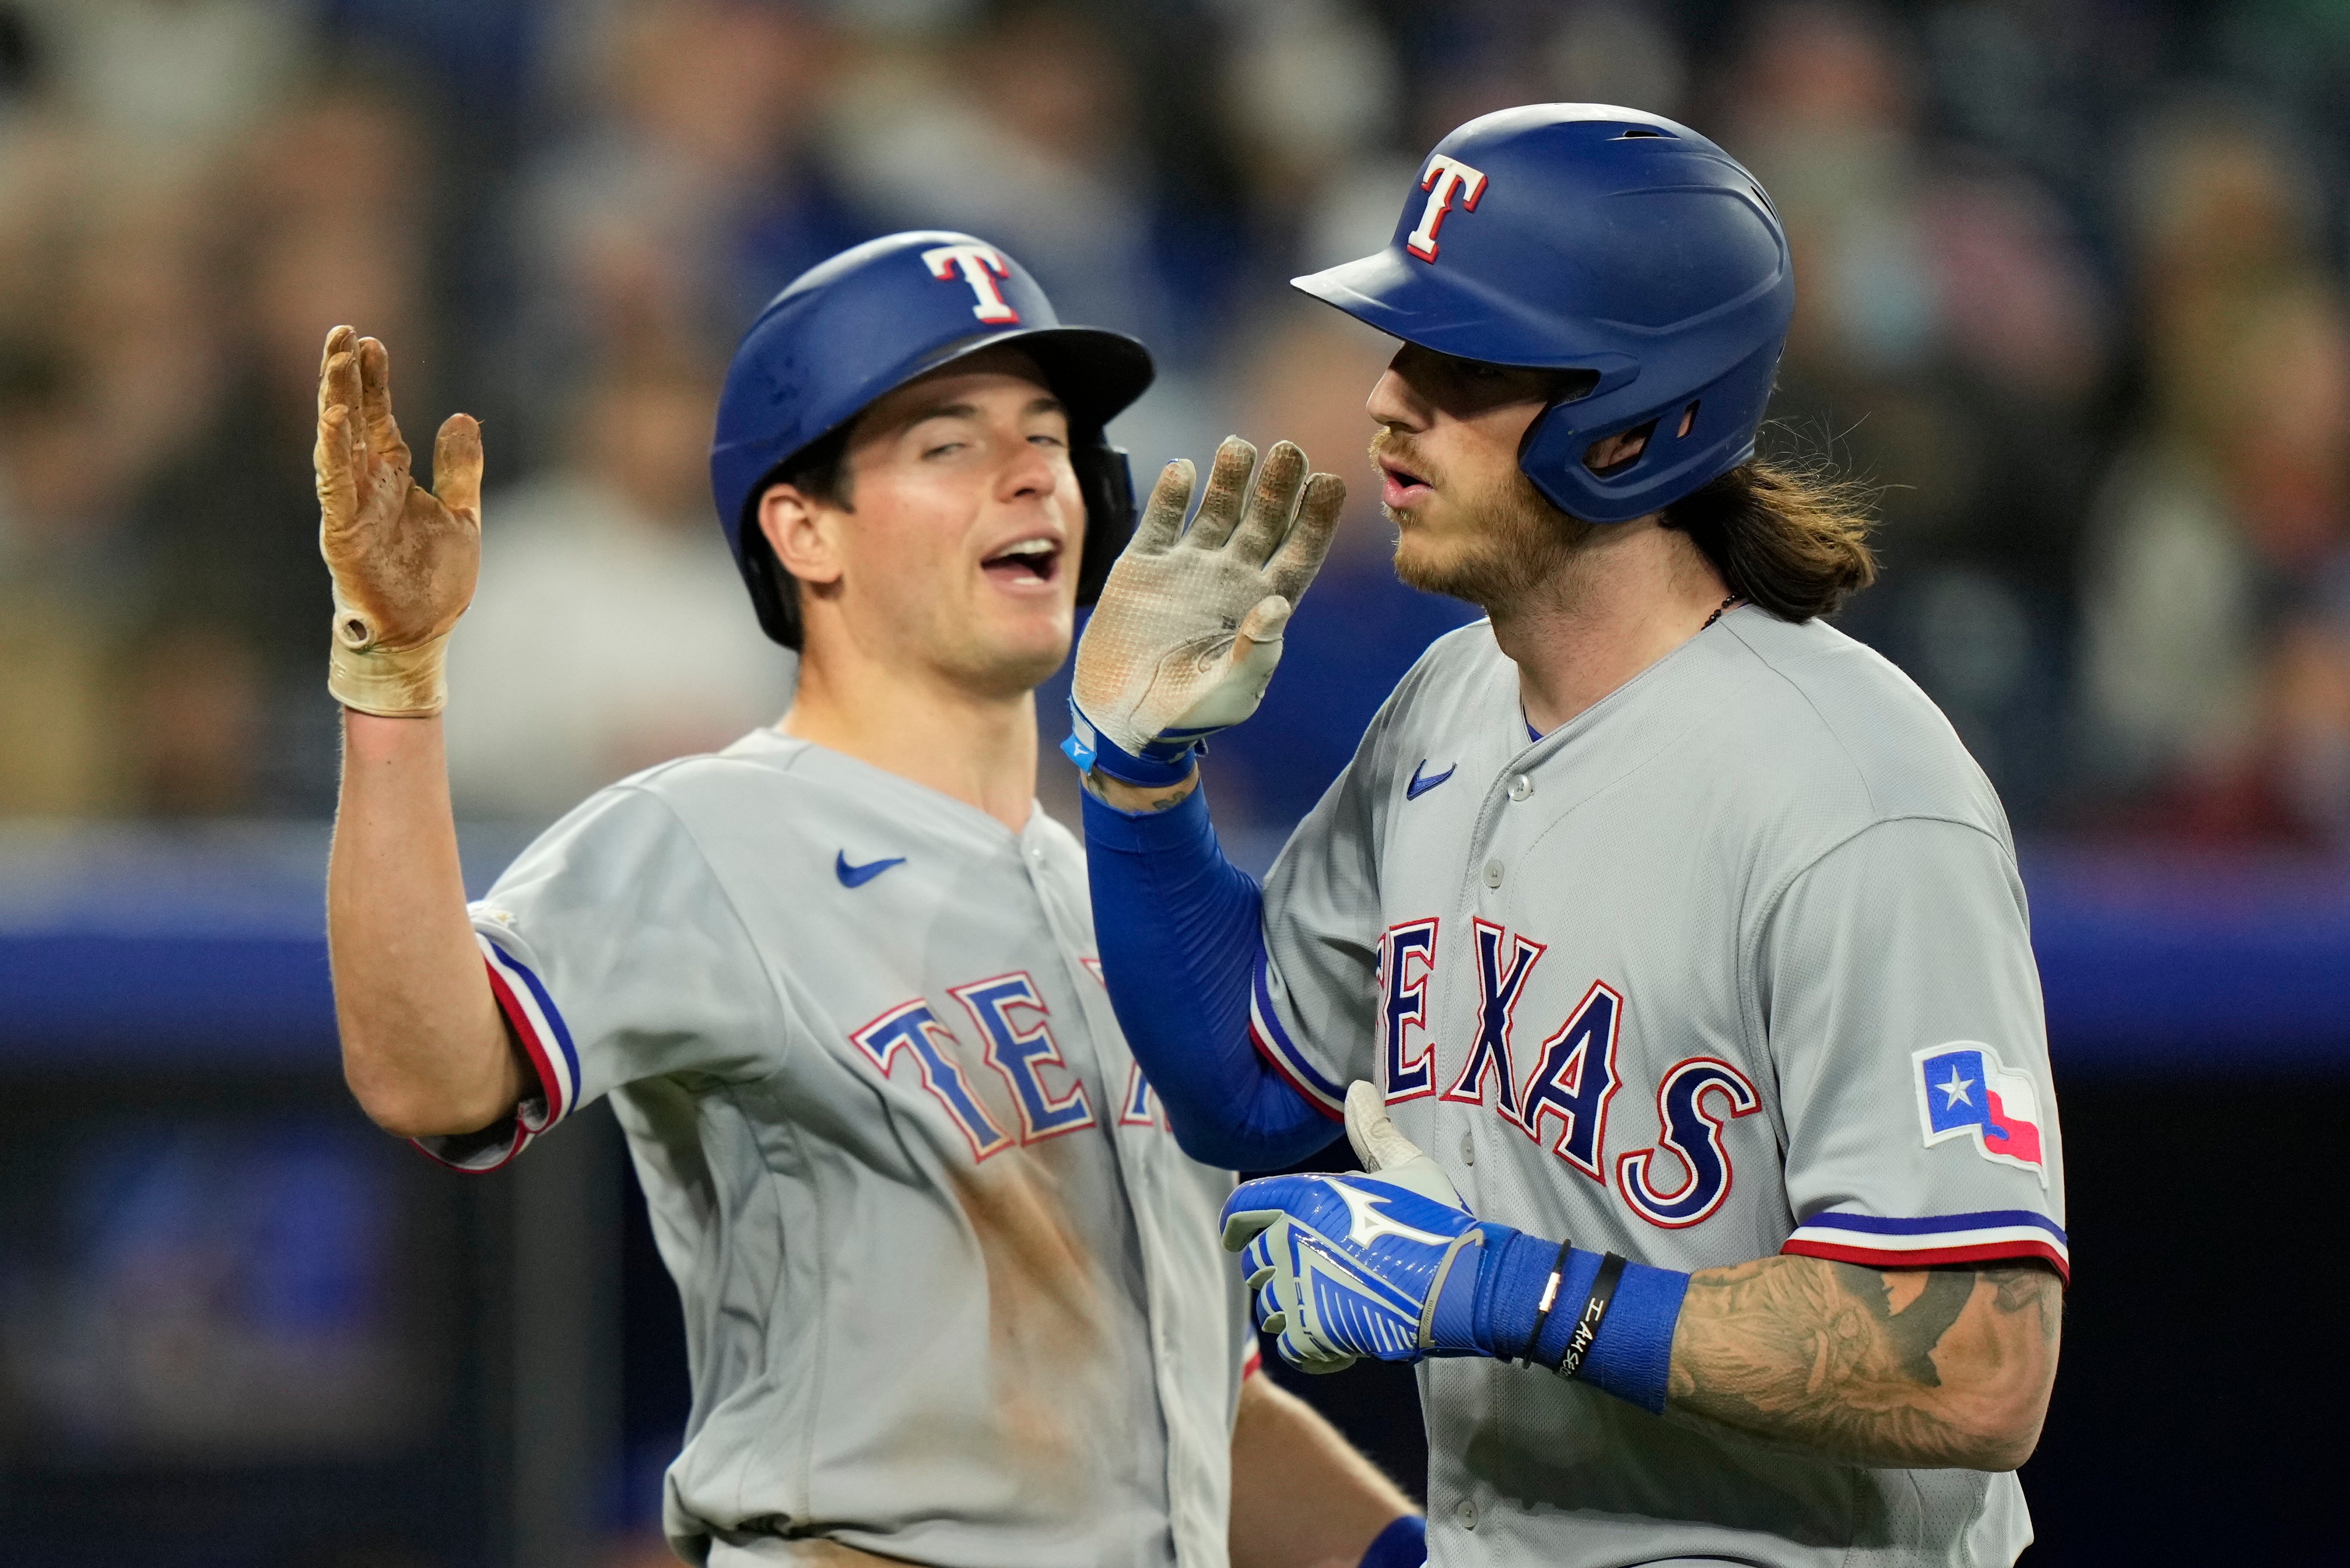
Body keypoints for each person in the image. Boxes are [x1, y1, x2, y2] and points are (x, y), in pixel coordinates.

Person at [317, 232, 1422, 1568]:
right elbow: (430, 1074)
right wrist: (394, 675)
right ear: (804, 529)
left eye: (1050, 435)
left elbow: (1204, 1415)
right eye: (947, 443)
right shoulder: (711, 831)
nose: (1034, 472)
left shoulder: (1120, 898)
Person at [1068, 107, 2066, 1567]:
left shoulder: (1854, 790)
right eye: (1403, 351)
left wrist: (1515, 1292)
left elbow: (1981, 1362)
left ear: (1639, 412)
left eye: (1464, 366)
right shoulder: (1450, 704)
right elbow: (1254, 1087)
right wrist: (1139, 779)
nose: (1392, 403)